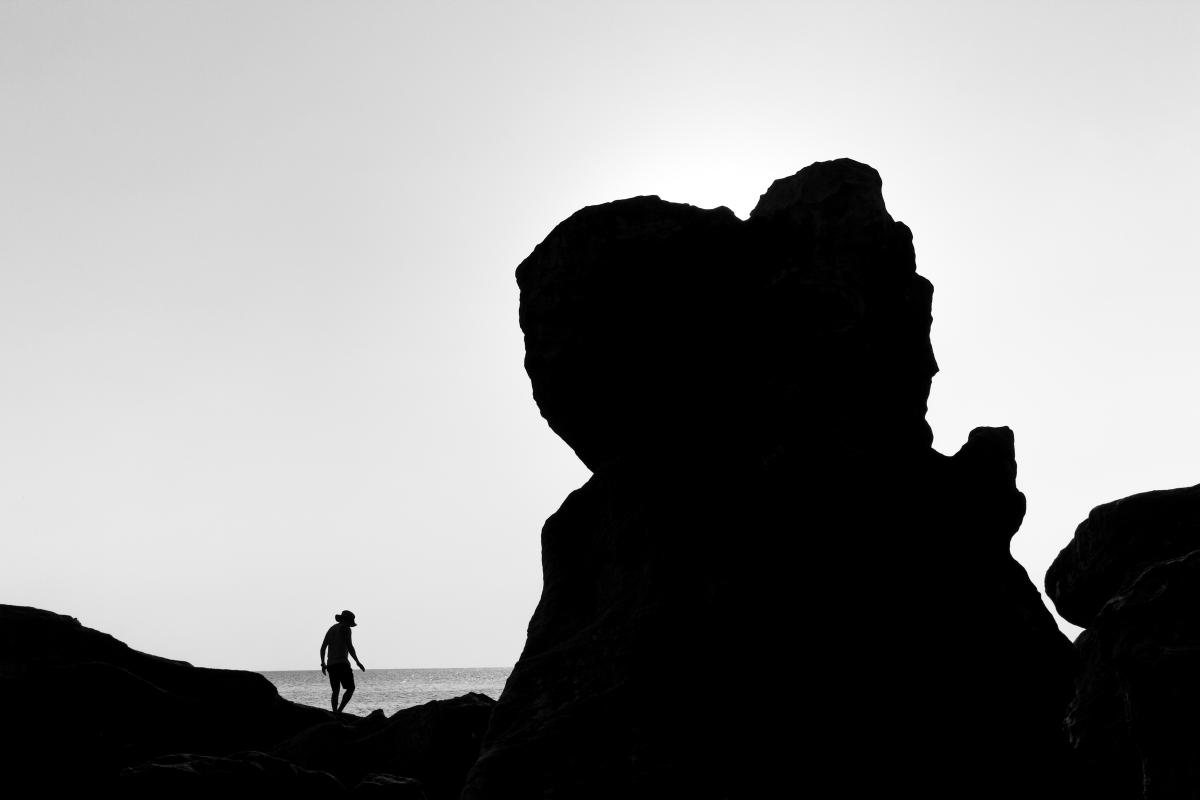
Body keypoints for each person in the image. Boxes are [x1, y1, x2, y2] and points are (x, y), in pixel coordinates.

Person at [320, 609, 365, 713]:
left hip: (331, 665)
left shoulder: (331, 629)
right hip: (342, 664)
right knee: (351, 688)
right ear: (348, 621)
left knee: (335, 691)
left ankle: (334, 712)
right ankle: (339, 711)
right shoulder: (346, 628)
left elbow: (323, 647)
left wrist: (323, 663)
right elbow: (350, 646)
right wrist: (357, 662)